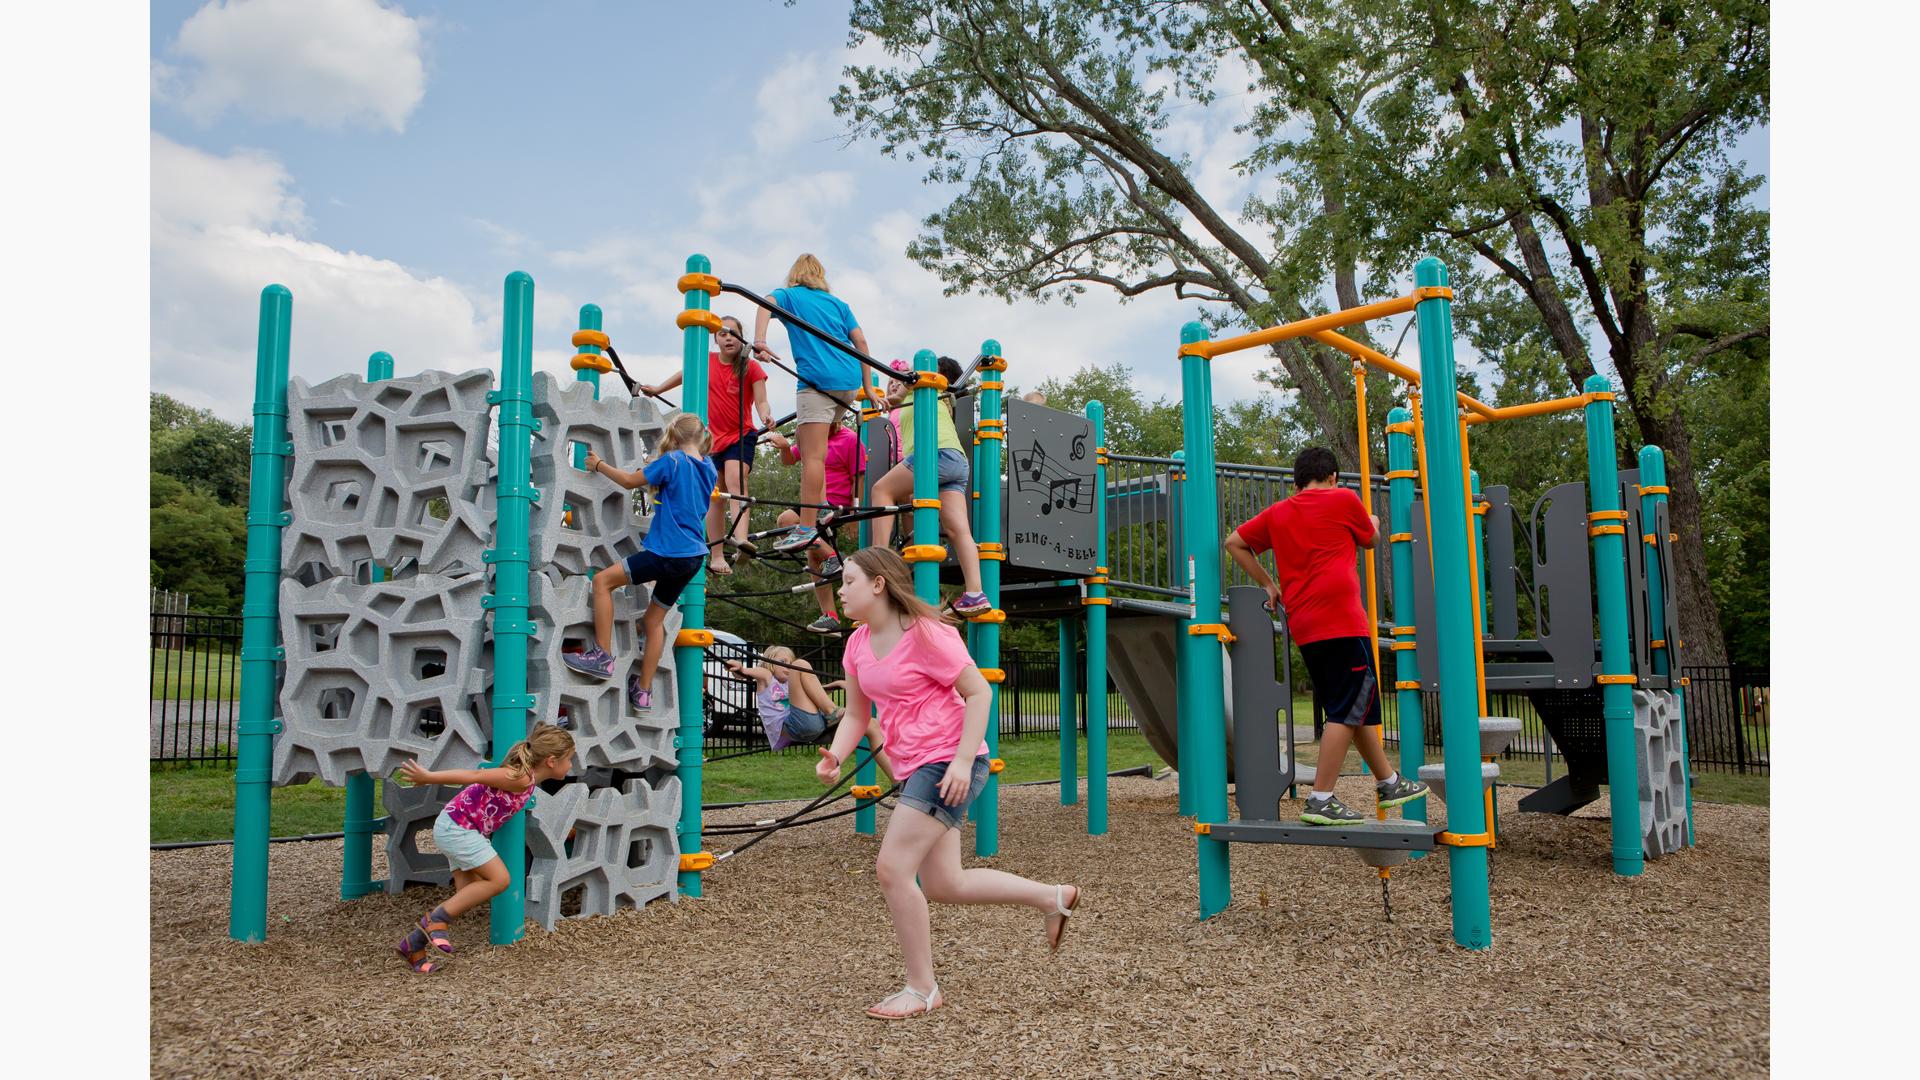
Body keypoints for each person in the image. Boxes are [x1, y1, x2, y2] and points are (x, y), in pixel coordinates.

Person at [817, 547, 1080, 1020]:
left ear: (878, 584)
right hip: (917, 765)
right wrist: (835, 755)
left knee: (892, 869)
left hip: (947, 761)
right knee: (944, 883)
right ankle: (1052, 897)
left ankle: (922, 988)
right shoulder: (857, 644)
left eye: (850, 580)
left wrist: (961, 762)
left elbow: (979, 692)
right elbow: (858, 714)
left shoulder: (926, 634)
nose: (841, 588)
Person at [1223, 446, 1430, 825]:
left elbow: (1234, 542)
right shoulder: (1343, 499)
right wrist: (1372, 518)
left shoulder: (1279, 512)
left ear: (1297, 480)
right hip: (1341, 620)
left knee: (1356, 707)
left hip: (1306, 624)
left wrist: (1269, 584)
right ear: (1333, 476)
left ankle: (1388, 781)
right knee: (1346, 708)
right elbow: (1370, 540)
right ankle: (1321, 797)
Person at [566, 413, 719, 713]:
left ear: (673, 437)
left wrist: (598, 465)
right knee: (653, 621)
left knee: (602, 582)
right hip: (692, 558)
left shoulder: (672, 461)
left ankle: (602, 656)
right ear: (701, 437)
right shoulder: (709, 467)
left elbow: (627, 481)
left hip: (666, 552)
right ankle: (644, 692)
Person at [393, 723, 576, 973]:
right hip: (459, 828)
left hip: (457, 828)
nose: (571, 766)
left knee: (466, 893)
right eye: (569, 759)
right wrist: (428, 778)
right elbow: (475, 776)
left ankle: (413, 944)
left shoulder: (527, 780)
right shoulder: (520, 776)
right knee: (500, 880)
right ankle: (435, 921)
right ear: (552, 761)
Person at [753, 254, 869, 555]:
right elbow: (862, 344)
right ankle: (825, 507)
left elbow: (765, 302)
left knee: (812, 455)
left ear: (795, 275)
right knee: (827, 436)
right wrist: (867, 386)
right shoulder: (838, 304)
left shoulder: (791, 295)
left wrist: (760, 340)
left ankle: (805, 527)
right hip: (848, 384)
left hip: (817, 382)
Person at [644, 315, 773, 576]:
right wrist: (658, 389)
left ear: (741, 338)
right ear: (715, 339)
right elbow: (685, 374)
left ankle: (741, 540)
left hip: (741, 433)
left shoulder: (750, 367)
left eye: (733, 333)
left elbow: (761, 400)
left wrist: (765, 415)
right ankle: (716, 554)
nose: (728, 337)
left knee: (737, 479)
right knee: (715, 494)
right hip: (712, 440)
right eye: (723, 333)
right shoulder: (706, 361)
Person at [870, 356, 991, 618]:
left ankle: (877, 562)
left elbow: (904, 386)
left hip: (934, 456)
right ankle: (975, 593)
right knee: (958, 530)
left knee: (881, 490)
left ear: (938, 375)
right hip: (956, 460)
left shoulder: (926, 386)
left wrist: (888, 395)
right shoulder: (940, 398)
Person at [765, 418, 865, 634]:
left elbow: (859, 479)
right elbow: (790, 460)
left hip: (835, 502)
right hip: (813, 504)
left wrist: (855, 514)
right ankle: (830, 616)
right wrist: (784, 448)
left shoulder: (849, 439)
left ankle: (834, 558)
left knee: (787, 521)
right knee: (813, 555)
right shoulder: (813, 436)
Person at [724, 646, 846, 750]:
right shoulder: (766, 676)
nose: (788, 666)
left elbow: (816, 693)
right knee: (800, 664)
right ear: (770, 663)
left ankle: (835, 717)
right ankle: (832, 712)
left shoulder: (791, 684)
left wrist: (838, 684)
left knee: (801, 670)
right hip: (793, 727)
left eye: (790, 663)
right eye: (783, 662)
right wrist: (740, 668)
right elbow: (743, 674)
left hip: (815, 730)